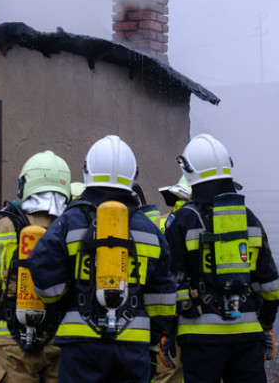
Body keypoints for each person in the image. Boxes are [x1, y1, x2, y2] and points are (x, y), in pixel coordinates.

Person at [25, 136, 176, 383]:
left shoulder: (68, 222)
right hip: (133, 348)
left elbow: (43, 276)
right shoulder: (150, 231)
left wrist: (66, 307)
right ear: (133, 175)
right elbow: (164, 298)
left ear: (87, 172)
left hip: (80, 347)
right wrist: (150, 338)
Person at [166, 134, 279, 383]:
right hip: (247, 336)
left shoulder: (182, 221)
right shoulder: (250, 219)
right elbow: (270, 287)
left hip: (199, 339)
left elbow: (170, 283)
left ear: (189, 170)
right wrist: (265, 326)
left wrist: (166, 332)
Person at [0, 151, 72, 383]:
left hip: (12, 341)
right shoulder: (71, 227)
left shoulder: (2, 227)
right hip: (61, 339)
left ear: (25, 184)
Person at [150, 175, 192, 383]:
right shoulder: (212, 222)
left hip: (168, 313)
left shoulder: (157, 223)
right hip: (206, 314)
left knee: (169, 373)